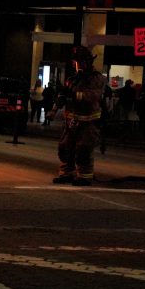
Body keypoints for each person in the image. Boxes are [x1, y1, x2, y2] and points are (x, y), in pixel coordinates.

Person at [46, 45, 107, 186]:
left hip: (89, 122)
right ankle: (66, 173)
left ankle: (84, 176)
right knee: (65, 148)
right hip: (71, 122)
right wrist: (53, 111)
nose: (77, 65)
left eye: (80, 61)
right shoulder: (72, 79)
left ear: (88, 62)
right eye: (76, 62)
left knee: (83, 149)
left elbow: (92, 96)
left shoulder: (97, 79)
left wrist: (73, 94)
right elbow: (62, 96)